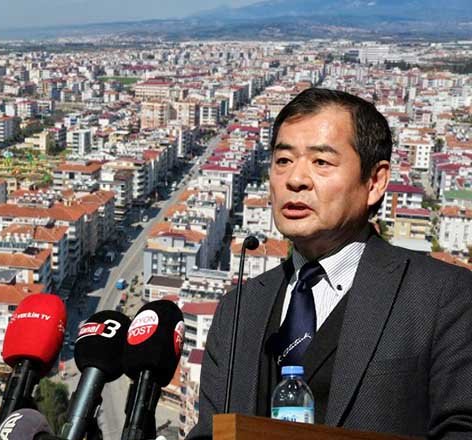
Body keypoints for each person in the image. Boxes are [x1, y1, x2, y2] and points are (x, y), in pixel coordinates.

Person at [188, 88, 472, 439]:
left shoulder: (441, 297)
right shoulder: (239, 309)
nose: (295, 179)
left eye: (321, 162)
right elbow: (211, 431)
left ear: (375, 181)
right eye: (283, 160)